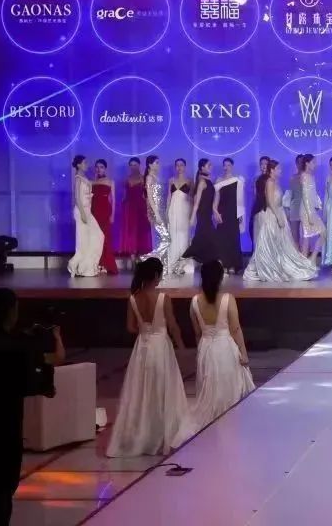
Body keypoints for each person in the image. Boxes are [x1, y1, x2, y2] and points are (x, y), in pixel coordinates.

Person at [106, 258, 189, 457]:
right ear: (156, 275)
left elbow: (130, 327)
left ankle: (143, 435)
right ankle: (161, 434)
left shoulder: (133, 298)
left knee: (141, 390)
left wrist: (145, 331)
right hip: (161, 347)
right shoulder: (163, 298)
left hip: (142, 348)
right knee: (162, 389)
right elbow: (173, 326)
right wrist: (181, 347)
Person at [173, 261, 254, 448]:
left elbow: (197, 333)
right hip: (225, 349)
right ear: (220, 278)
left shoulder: (194, 301)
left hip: (206, 349)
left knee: (209, 391)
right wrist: (243, 354)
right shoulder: (228, 299)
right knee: (228, 391)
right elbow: (235, 329)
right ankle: (229, 431)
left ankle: (213, 434)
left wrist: (201, 353)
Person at [0, 287, 57, 526]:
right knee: (3, 486)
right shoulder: (16, 347)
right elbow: (34, 381)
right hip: (6, 427)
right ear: (11, 312)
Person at [244, 160, 318, 282]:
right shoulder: (269, 182)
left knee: (282, 244)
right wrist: (278, 217)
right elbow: (270, 201)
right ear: (272, 170)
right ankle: (270, 267)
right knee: (271, 243)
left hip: (279, 213)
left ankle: (282, 265)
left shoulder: (275, 182)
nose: (280, 171)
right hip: (272, 215)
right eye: (278, 169)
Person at [69, 155, 104, 277]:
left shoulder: (84, 178)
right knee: (83, 241)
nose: (86, 165)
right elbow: (77, 198)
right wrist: (83, 214)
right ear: (79, 165)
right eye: (84, 163)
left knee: (98, 236)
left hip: (87, 211)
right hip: (81, 211)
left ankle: (87, 266)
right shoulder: (78, 178)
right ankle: (76, 265)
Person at [184, 158, 220, 266]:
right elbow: (196, 202)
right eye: (209, 165)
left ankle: (206, 262)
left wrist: (215, 211)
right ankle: (198, 258)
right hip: (203, 214)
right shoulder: (202, 182)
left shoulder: (207, 181)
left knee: (205, 237)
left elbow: (211, 199)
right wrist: (192, 218)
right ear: (202, 167)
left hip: (207, 214)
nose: (211, 167)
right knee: (208, 237)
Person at [213, 157, 245, 274]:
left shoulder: (238, 180)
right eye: (224, 165)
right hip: (222, 212)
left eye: (228, 165)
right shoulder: (219, 180)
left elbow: (240, 200)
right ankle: (223, 264)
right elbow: (216, 198)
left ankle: (233, 264)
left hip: (234, 213)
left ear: (232, 166)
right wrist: (215, 211)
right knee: (222, 239)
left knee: (233, 239)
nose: (226, 167)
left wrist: (241, 214)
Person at [119, 157, 152, 263]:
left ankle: (140, 257)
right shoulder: (126, 179)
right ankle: (133, 257)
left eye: (135, 165)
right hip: (130, 208)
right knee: (131, 231)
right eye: (131, 165)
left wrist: (149, 210)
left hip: (141, 207)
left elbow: (147, 196)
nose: (133, 167)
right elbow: (124, 196)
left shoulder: (143, 178)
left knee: (141, 231)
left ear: (139, 165)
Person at [143, 155, 172, 266]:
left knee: (161, 239)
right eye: (156, 163)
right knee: (166, 239)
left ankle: (160, 265)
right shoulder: (149, 177)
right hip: (155, 211)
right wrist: (156, 213)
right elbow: (150, 197)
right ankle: (145, 259)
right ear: (150, 165)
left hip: (161, 209)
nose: (159, 165)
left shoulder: (155, 177)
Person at [166, 158, 193, 277]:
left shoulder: (190, 181)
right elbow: (169, 196)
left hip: (184, 210)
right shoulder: (171, 180)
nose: (179, 167)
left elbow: (192, 198)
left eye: (181, 165)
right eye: (177, 165)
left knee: (184, 235)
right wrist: (166, 212)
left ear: (185, 166)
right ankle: (172, 263)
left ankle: (183, 264)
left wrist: (192, 214)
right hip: (173, 209)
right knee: (173, 235)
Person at [91, 158, 118, 274]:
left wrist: (112, 215)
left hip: (105, 210)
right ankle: (97, 264)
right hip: (93, 210)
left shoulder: (110, 181)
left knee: (105, 237)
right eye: (97, 167)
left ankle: (107, 264)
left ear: (105, 169)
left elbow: (113, 200)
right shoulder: (92, 182)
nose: (99, 169)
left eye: (101, 167)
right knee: (95, 238)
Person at [298, 154, 325, 261]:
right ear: (307, 163)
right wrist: (310, 214)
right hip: (306, 211)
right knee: (307, 237)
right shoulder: (304, 176)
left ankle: (311, 260)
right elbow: (305, 196)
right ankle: (305, 263)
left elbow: (312, 194)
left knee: (322, 233)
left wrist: (317, 205)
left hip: (311, 209)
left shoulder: (310, 176)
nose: (315, 164)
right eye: (313, 162)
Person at [284, 154, 305, 243]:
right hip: (294, 207)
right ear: (296, 164)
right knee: (294, 234)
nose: (300, 164)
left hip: (305, 208)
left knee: (306, 234)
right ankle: (296, 250)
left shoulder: (308, 177)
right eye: (298, 162)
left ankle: (305, 250)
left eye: (302, 162)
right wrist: (287, 209)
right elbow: (290, 194)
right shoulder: (292, 177)